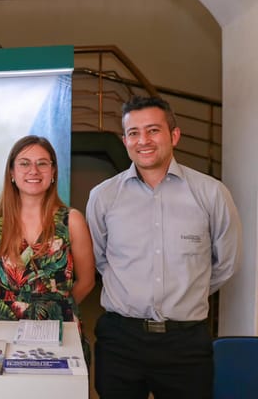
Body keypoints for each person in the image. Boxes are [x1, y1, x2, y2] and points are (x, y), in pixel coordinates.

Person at [85, 95, 242, 399]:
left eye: (153, 130)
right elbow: (100, 259)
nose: (143, 140)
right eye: (133, 133)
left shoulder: (211, 194)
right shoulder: (103, 197)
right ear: (125, 140)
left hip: (186, 343)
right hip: (121, 341)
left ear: (175, 135)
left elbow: (226, 263)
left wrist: (188, 291)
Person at [0, 135, 96, 359]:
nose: (34, 170)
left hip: (61, 328)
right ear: (12, 173)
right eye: (24, 163)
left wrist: (57, 307)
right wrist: (14, 304)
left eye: (42, 163)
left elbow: (87, 281)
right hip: (7, 328)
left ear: (53, 172)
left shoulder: (72, 220)